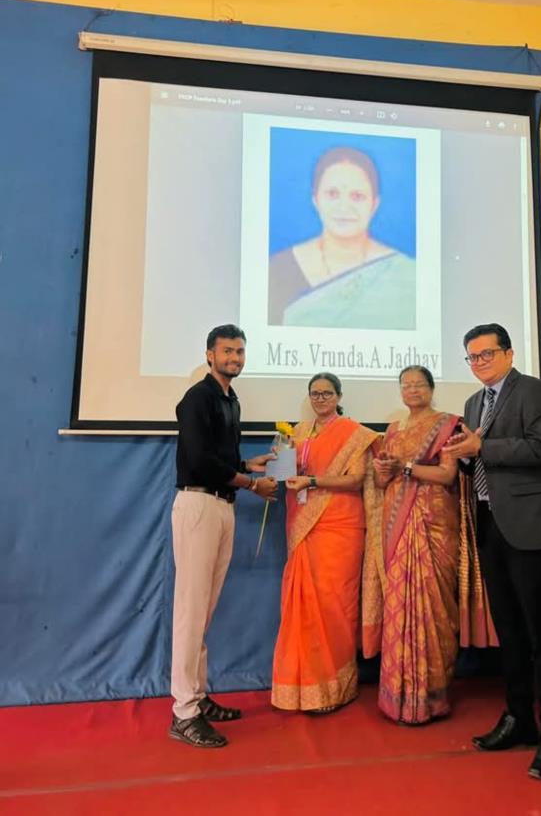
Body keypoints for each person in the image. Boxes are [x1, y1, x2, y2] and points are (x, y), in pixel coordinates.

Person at [444, 323, 541, 779]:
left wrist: (482, 446)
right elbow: (477, 461)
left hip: (530, 525)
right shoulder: (472, 403)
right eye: (472, 357)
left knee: (540, 631)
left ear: (509, 354)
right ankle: (519, 718)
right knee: (509, 630)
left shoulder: (532, 391)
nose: (480, 363)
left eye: (487, 354)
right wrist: (464, 455)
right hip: (489, 524)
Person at [169, 324, 278, 748]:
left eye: (240, 351)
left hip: (222, 506)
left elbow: (221, 457)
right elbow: (198, 460)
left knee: (205, 610)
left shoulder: (230, 399)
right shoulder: (198, 398)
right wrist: (251, 484)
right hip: (198, 505)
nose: (234, 358)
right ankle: (183, 712)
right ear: (209, 355)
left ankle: (196, 697)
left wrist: (250, 466)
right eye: (227, 351)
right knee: (191, 611)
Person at [372, 366, 487, 725]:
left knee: (434, 606)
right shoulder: (393, 430)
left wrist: (406, 467)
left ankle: (432, 695)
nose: (412, 390)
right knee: (399, 604)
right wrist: (384, 470)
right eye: (406, 385)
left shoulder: (448, 425)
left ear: (431, 388)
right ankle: (397, 695)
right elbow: (382, 479)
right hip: (397, 522)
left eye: (419, 385)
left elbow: (447, 474)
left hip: (433, 522)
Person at [271, 372, 379, 713]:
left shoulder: (354, 434)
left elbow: (357, 479)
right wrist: (279, 463)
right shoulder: (297, 432)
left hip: (340, 527)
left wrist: (313, 481)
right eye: (315, 393)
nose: (320, 399)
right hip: (304, 525)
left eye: (327, 393)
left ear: (338, 396)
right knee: (302, 606)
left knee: (335, 606)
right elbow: (282, 474)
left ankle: (336, 688)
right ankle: (301, 688)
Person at [268, 146, 415, 329]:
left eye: (357, 196)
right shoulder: (276, 272)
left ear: (374, 204)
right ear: (316, 200)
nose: (344, 207)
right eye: (333, 194)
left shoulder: (407, 275)